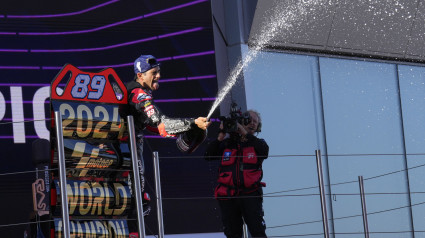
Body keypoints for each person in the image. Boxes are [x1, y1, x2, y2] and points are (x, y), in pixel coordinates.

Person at [125, 54, 210, 213]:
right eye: (153, 73)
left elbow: (155, 125)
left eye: (158, 71)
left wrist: (186, 129)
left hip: (127, 151)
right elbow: (161, 125)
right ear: (140, 75)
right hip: (123, 152)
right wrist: (192, 123)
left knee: (139, 201)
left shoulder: (139, 92)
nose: (159, 76)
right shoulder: (139, 94)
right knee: (136, 202)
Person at [204, 110, 269, 238]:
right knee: (233, 234)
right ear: (241, 121)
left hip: (250, 195)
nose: (252, 123)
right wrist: (221, 136)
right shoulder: (227, 144)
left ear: (258, 127)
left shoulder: (258, 143)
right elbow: (208, 155)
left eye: (255, 122)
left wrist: (244, 133)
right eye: (249, 120)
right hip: (228, 196)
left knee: (258, 232)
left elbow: (264, 151)